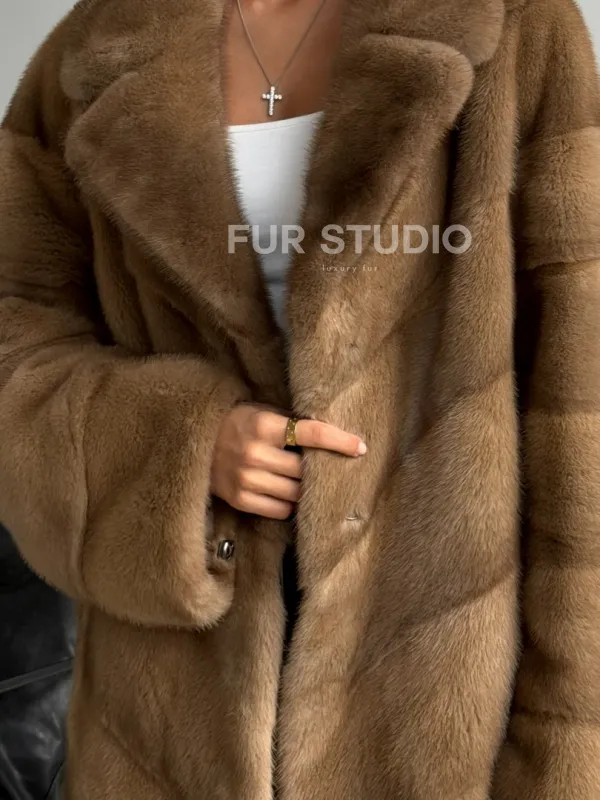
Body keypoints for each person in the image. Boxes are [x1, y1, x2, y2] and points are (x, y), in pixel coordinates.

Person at [0, 0, 599, 797]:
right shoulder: (95, 47)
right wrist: (173, 447)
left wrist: (566, 752)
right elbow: (15, 335)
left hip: (441, 706)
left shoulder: (517, 27)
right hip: (166, 713)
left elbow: (578, 398)